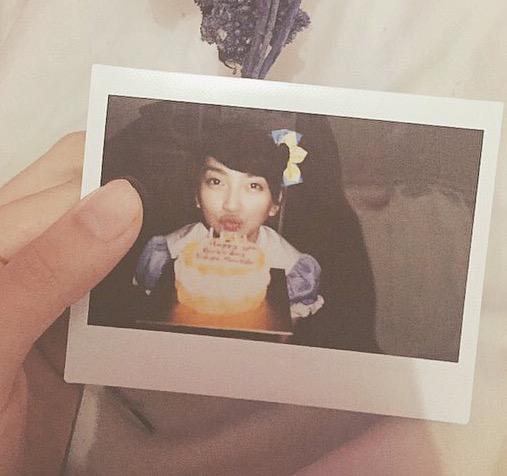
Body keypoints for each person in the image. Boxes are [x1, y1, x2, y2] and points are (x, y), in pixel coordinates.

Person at [133, 121, 325, 324]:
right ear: (197, 195)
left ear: (275, 202)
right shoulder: (166, 255)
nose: (231, 205)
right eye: (216, 182)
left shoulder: (293, 273)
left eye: (253, 186)